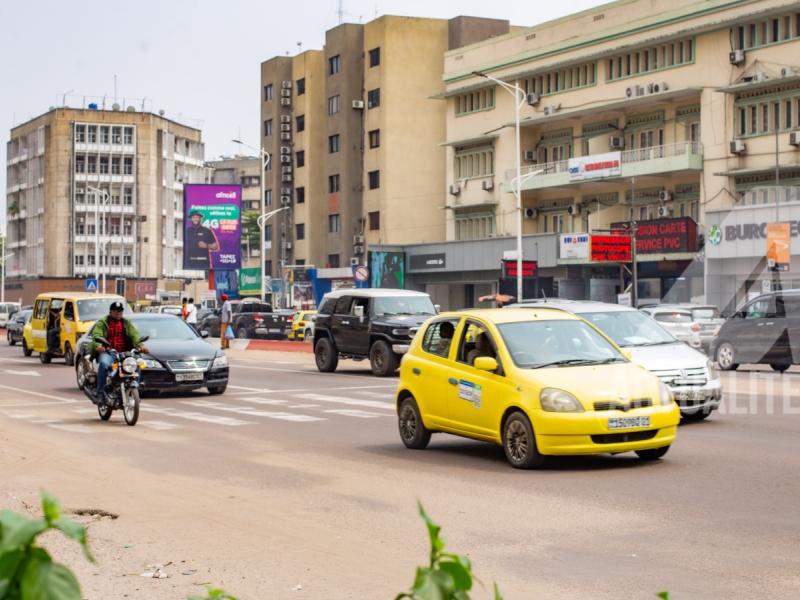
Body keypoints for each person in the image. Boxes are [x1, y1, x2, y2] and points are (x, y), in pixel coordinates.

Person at [89, 301, 148, 406]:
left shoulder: (126, 322)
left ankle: (135, 387)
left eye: (120, 311)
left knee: (137, 363)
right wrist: (99, 346)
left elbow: (134, 334)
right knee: (104, 364)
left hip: (124, 353)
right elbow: (97, 335)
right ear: (110, 311)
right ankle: (101, 393)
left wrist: (140, 345)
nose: (118, 313)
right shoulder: (103, 322)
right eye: (115, 311)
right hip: (109, 352)